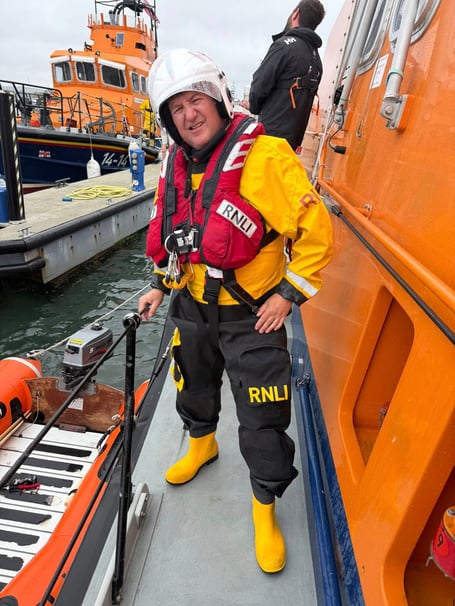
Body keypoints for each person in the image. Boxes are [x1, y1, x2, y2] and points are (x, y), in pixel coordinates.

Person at [138, 48, 333, 574]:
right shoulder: (176, 165)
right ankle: (201, 445)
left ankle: (264, 506)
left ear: (219, 100)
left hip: (253, 316)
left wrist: (288, 294)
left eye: (196, 99)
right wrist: (160, 285)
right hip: (193, 308)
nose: (188, 114)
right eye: (175, 108)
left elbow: (317, 234)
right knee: (192, 386)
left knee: (264, 416)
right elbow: (182, 239)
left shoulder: (267, 157)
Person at [245, 0, 325, 151]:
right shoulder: (317, 60)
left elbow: (259, 85)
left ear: (296, 14)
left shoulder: (283, 46)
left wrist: (254, 106)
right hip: (291, 145)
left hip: (270, 141)